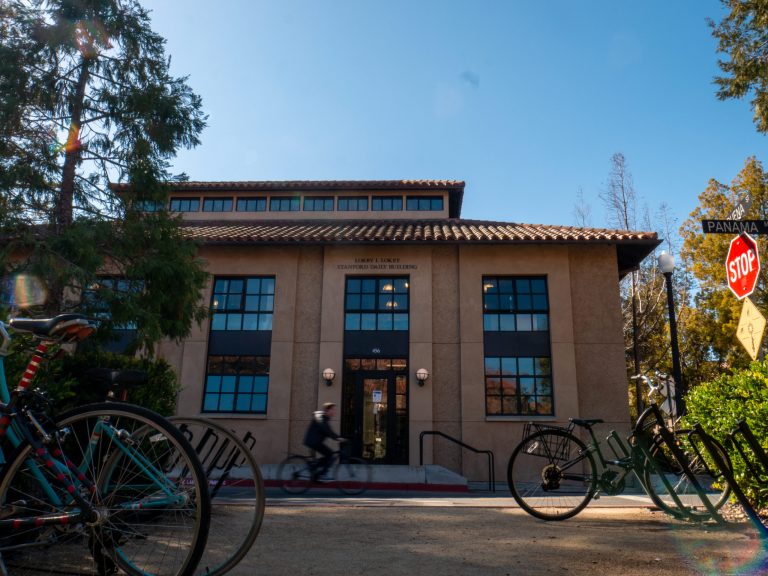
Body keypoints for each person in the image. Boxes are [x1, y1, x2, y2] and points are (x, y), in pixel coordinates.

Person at [303, 402, 344, 481]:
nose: (334, 411)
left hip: (315, 441)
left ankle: (314, 467)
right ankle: (322, 474)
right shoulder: (320, 417)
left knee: (328, 455)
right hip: (313, 441)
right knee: (330, 454)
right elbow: (325, 429)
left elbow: (329, 430)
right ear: (327, 410)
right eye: (332, 410)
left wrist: (338, 437)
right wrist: (337, 438)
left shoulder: (324, 418)